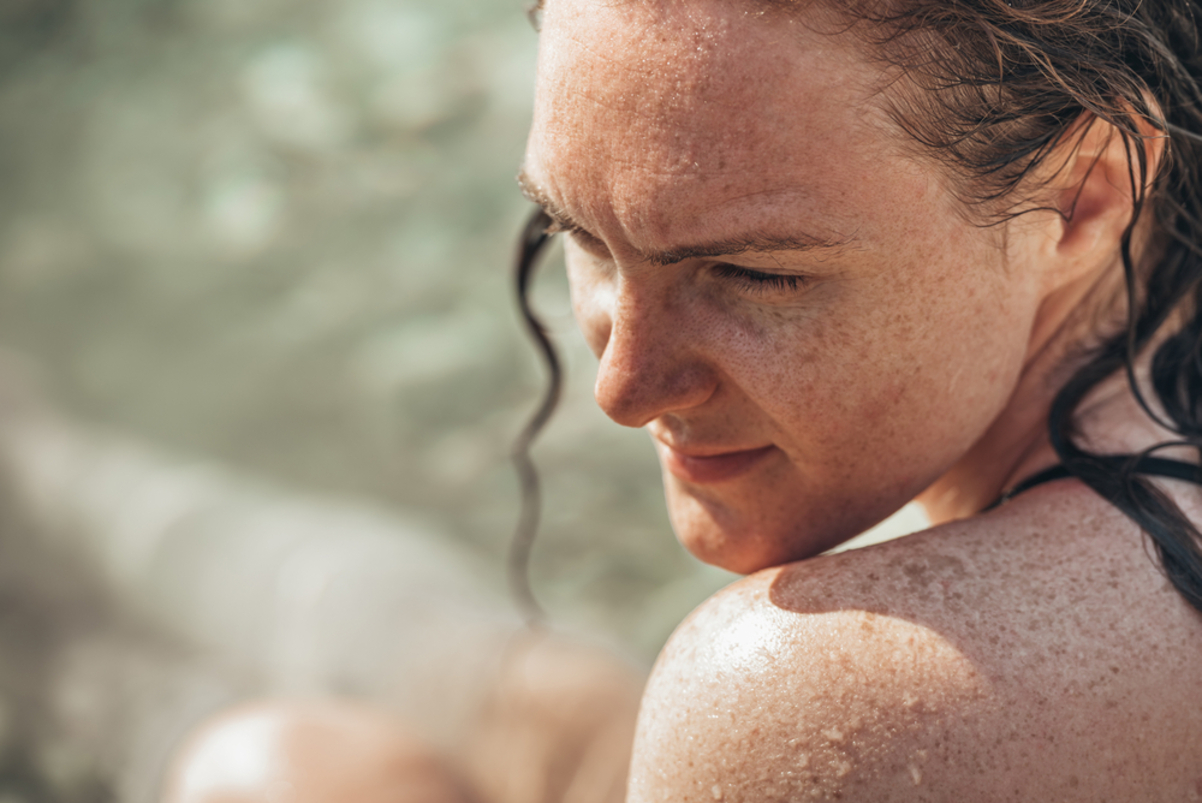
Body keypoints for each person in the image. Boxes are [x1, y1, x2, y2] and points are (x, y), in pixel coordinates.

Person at [518, 0, 1202, 799]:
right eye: (579, 233)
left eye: (759, 275)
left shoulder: (823, 706)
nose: (623, 391)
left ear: (1082, 199)